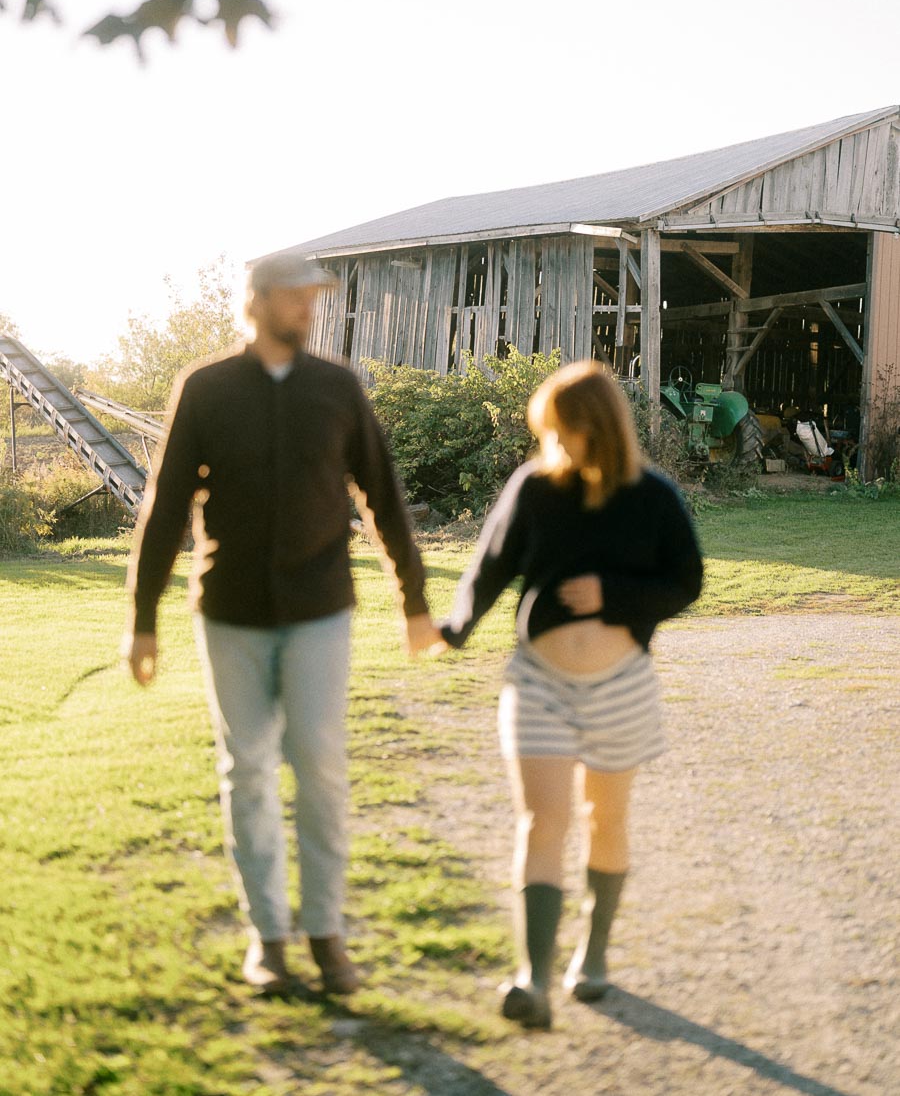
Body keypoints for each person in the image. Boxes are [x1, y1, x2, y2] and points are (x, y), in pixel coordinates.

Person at [122, 251, 438, 995]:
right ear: (258, 302)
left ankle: (325, 933)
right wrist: (142, 621)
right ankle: (268, 938)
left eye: (314, 299)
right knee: (249, 771)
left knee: (322, 770)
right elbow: (165, 509)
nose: (310, 309)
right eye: (298, 298)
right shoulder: (205, 389)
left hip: (320, 611)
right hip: (229, 612)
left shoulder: (337, 388)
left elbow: (383, 497)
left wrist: (414, 601)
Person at [437, 361, 704, 1029]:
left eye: (566, 430)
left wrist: (612, 597)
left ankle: (592, 955)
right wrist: (457, 625)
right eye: (549, 431)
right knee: (542, 821)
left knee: (605, 821)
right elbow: (490, 565)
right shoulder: (535, 488)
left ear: (599, 427)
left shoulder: (654, 497)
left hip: (621, 687)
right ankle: (532, 978)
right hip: (539, 685)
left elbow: (687, 582)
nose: (555, 442)